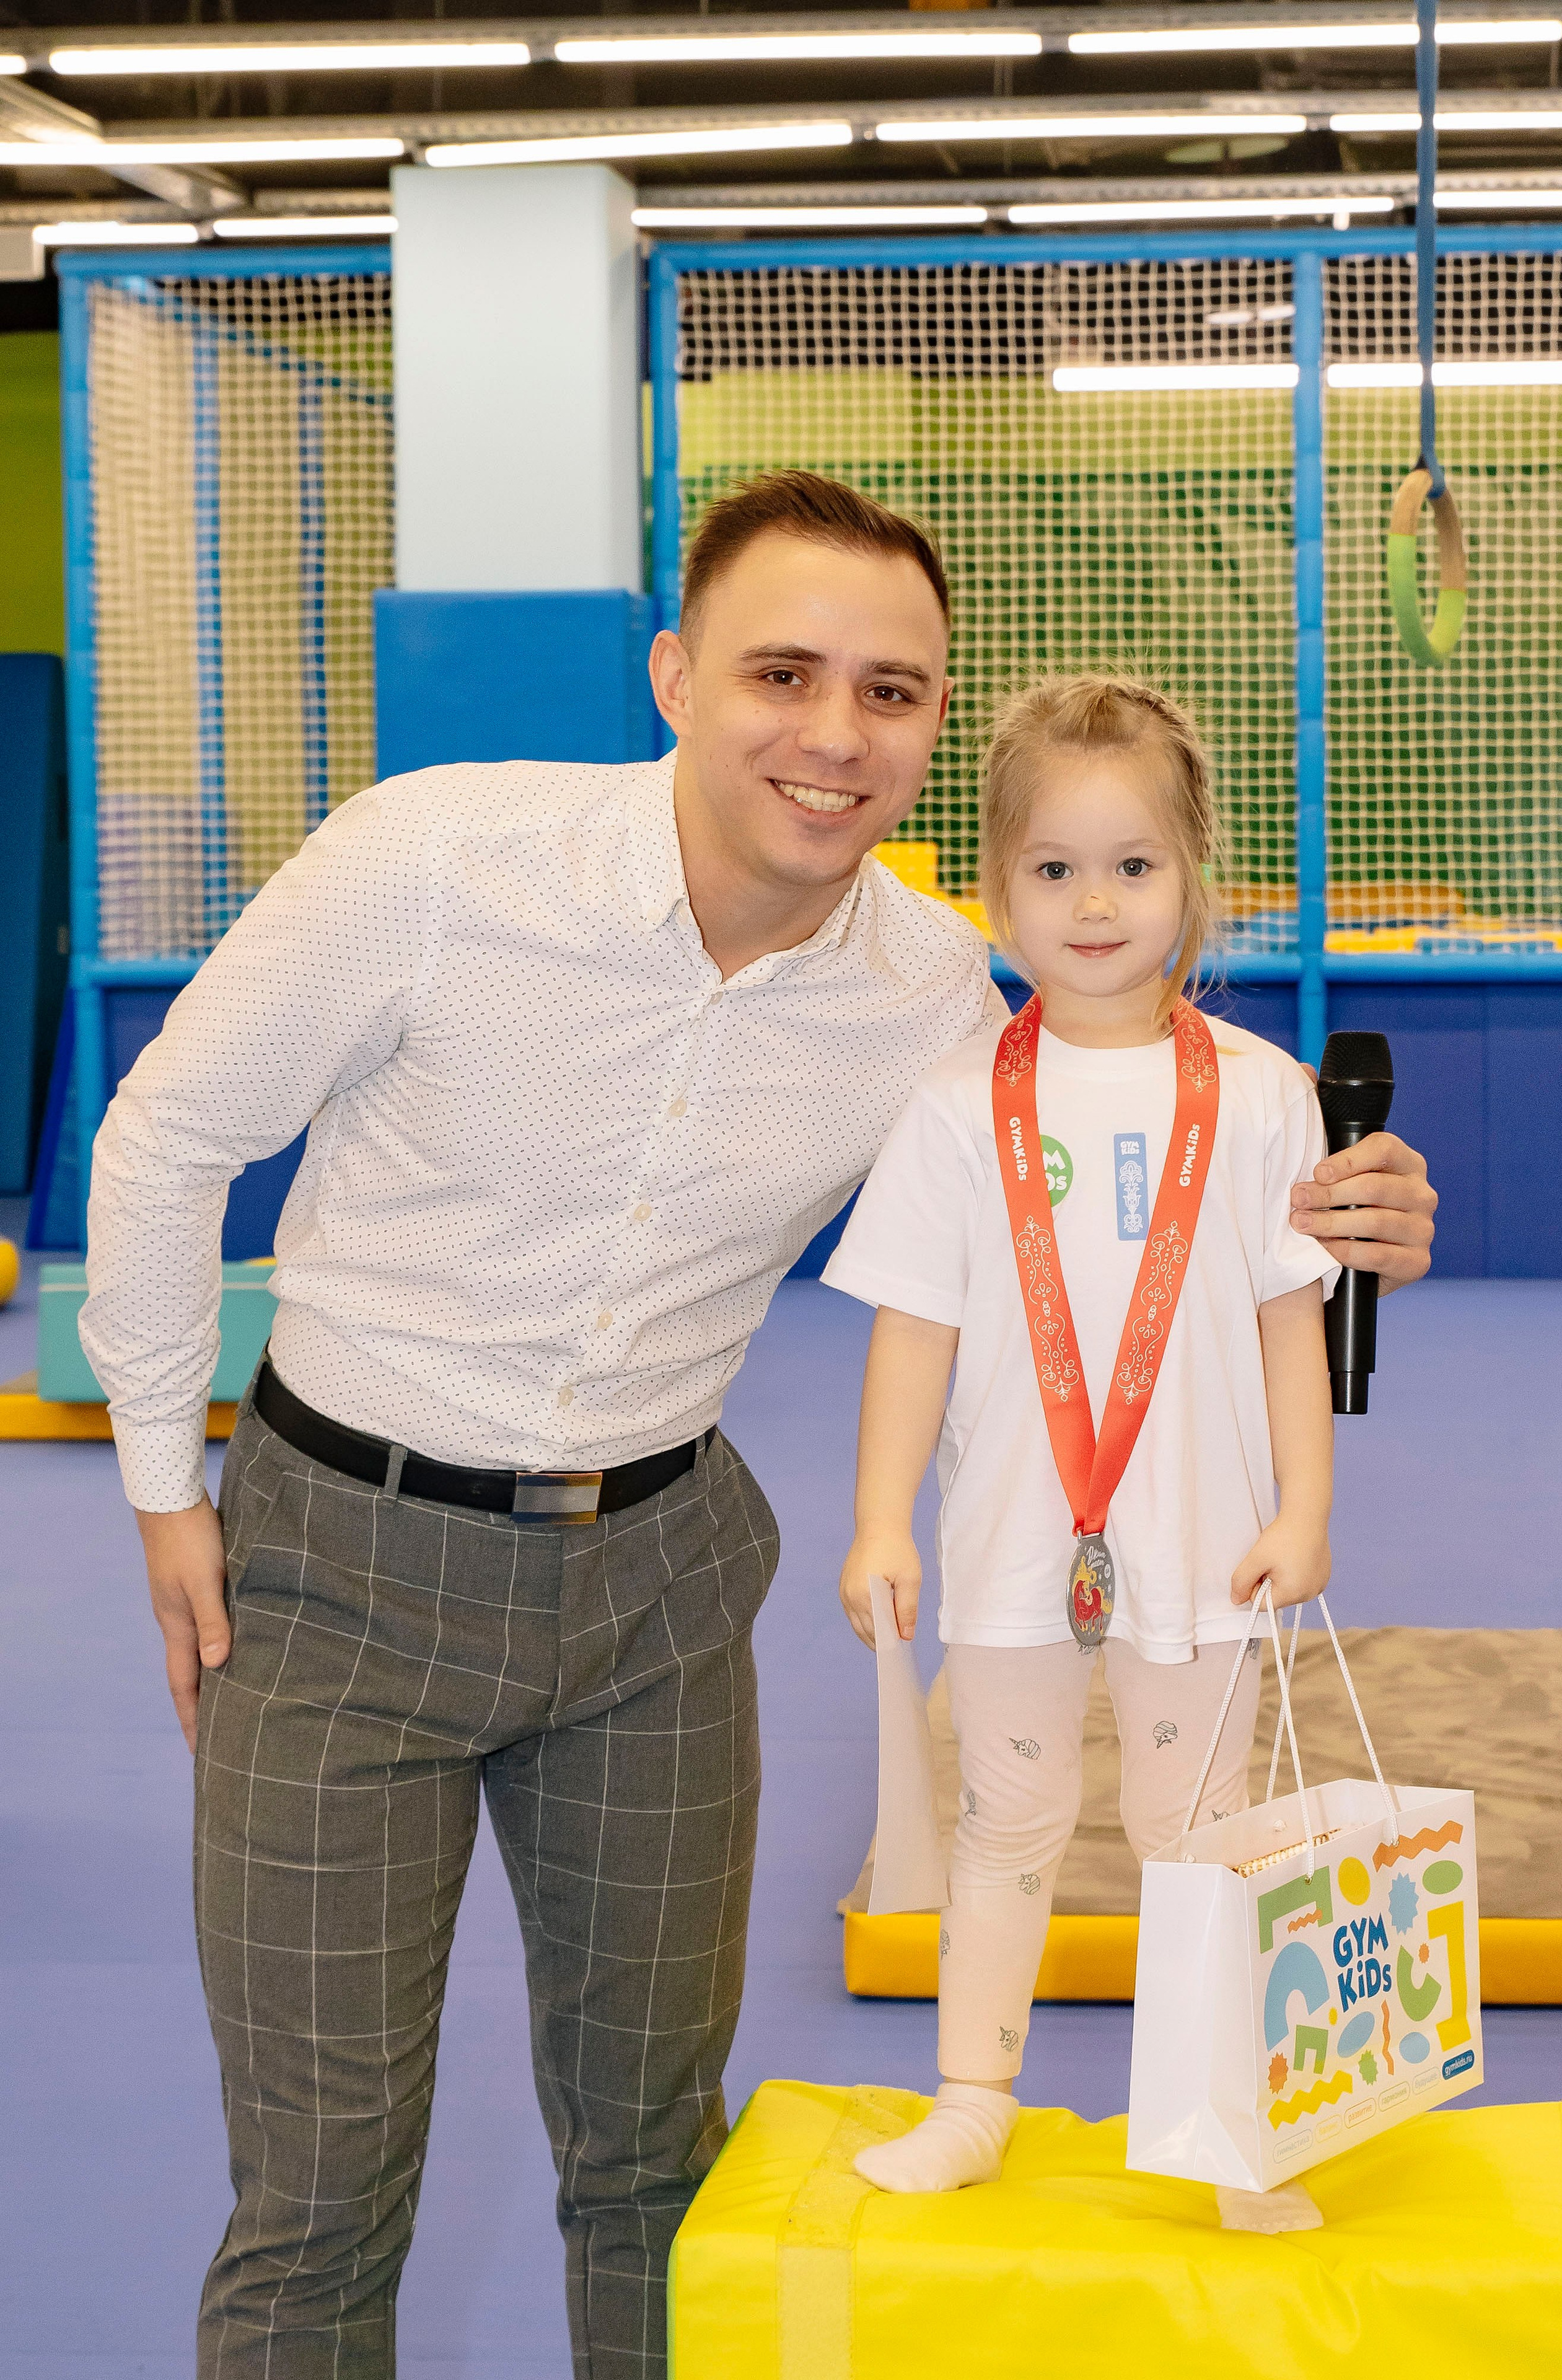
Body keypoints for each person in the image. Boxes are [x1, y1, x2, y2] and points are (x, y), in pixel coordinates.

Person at [81, 476, 1435, 2379]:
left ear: (933, 730)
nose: (831, 732)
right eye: (781, 672)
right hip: (339, 1578)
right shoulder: (436, 861)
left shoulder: (930, 1003)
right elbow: (163, 1142)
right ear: (673, 673)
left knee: (657, 2169)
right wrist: (163, 1494)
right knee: (321, 2193)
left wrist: (1349, 1206)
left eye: (891, 693)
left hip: (657, 1599)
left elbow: (1145, 1137)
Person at [826, 673, 1338, 2217]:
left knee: (1201, 1838)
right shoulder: (946, 1104)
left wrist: (1304, 1502)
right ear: (993, 891)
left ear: (1194, 879)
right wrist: (880, 1522)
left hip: (1198, 1544)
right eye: (1053, 869)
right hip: (1004, 1548)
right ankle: (972, 2098)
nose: (1094, 903)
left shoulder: (1260, 1098)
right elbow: (910, 1326)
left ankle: (1221, 2124)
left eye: (1132, 866)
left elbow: (1283, 1321)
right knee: (1007, 1823)